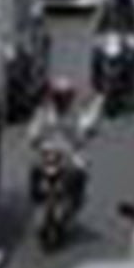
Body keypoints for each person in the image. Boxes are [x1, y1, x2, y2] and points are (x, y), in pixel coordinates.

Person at [27, 78, 90, 214]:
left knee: (81, 170)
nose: (62, 100)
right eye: (59, 96)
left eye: (64, 97)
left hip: (67, 152)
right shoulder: (44, 112)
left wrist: (80, 141)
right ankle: (36, 196)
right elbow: (35, 128)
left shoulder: (74, 114)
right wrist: (34, 138)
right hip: (47, 151)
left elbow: (79, 133)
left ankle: (76, 199)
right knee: (34, 167)